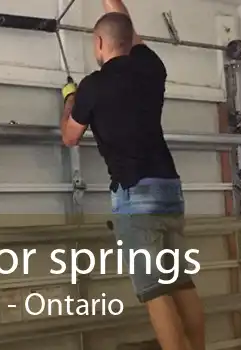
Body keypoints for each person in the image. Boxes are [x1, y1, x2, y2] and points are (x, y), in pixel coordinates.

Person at [58, 1, 206, 350]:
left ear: (98, 43)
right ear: (129, 39)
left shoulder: (92, 87)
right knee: (180, 283)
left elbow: (69, 136)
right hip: (170, 190)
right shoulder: (151, 67)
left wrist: (69, 100)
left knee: (154, 291)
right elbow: (125, 25)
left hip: (135, 198)